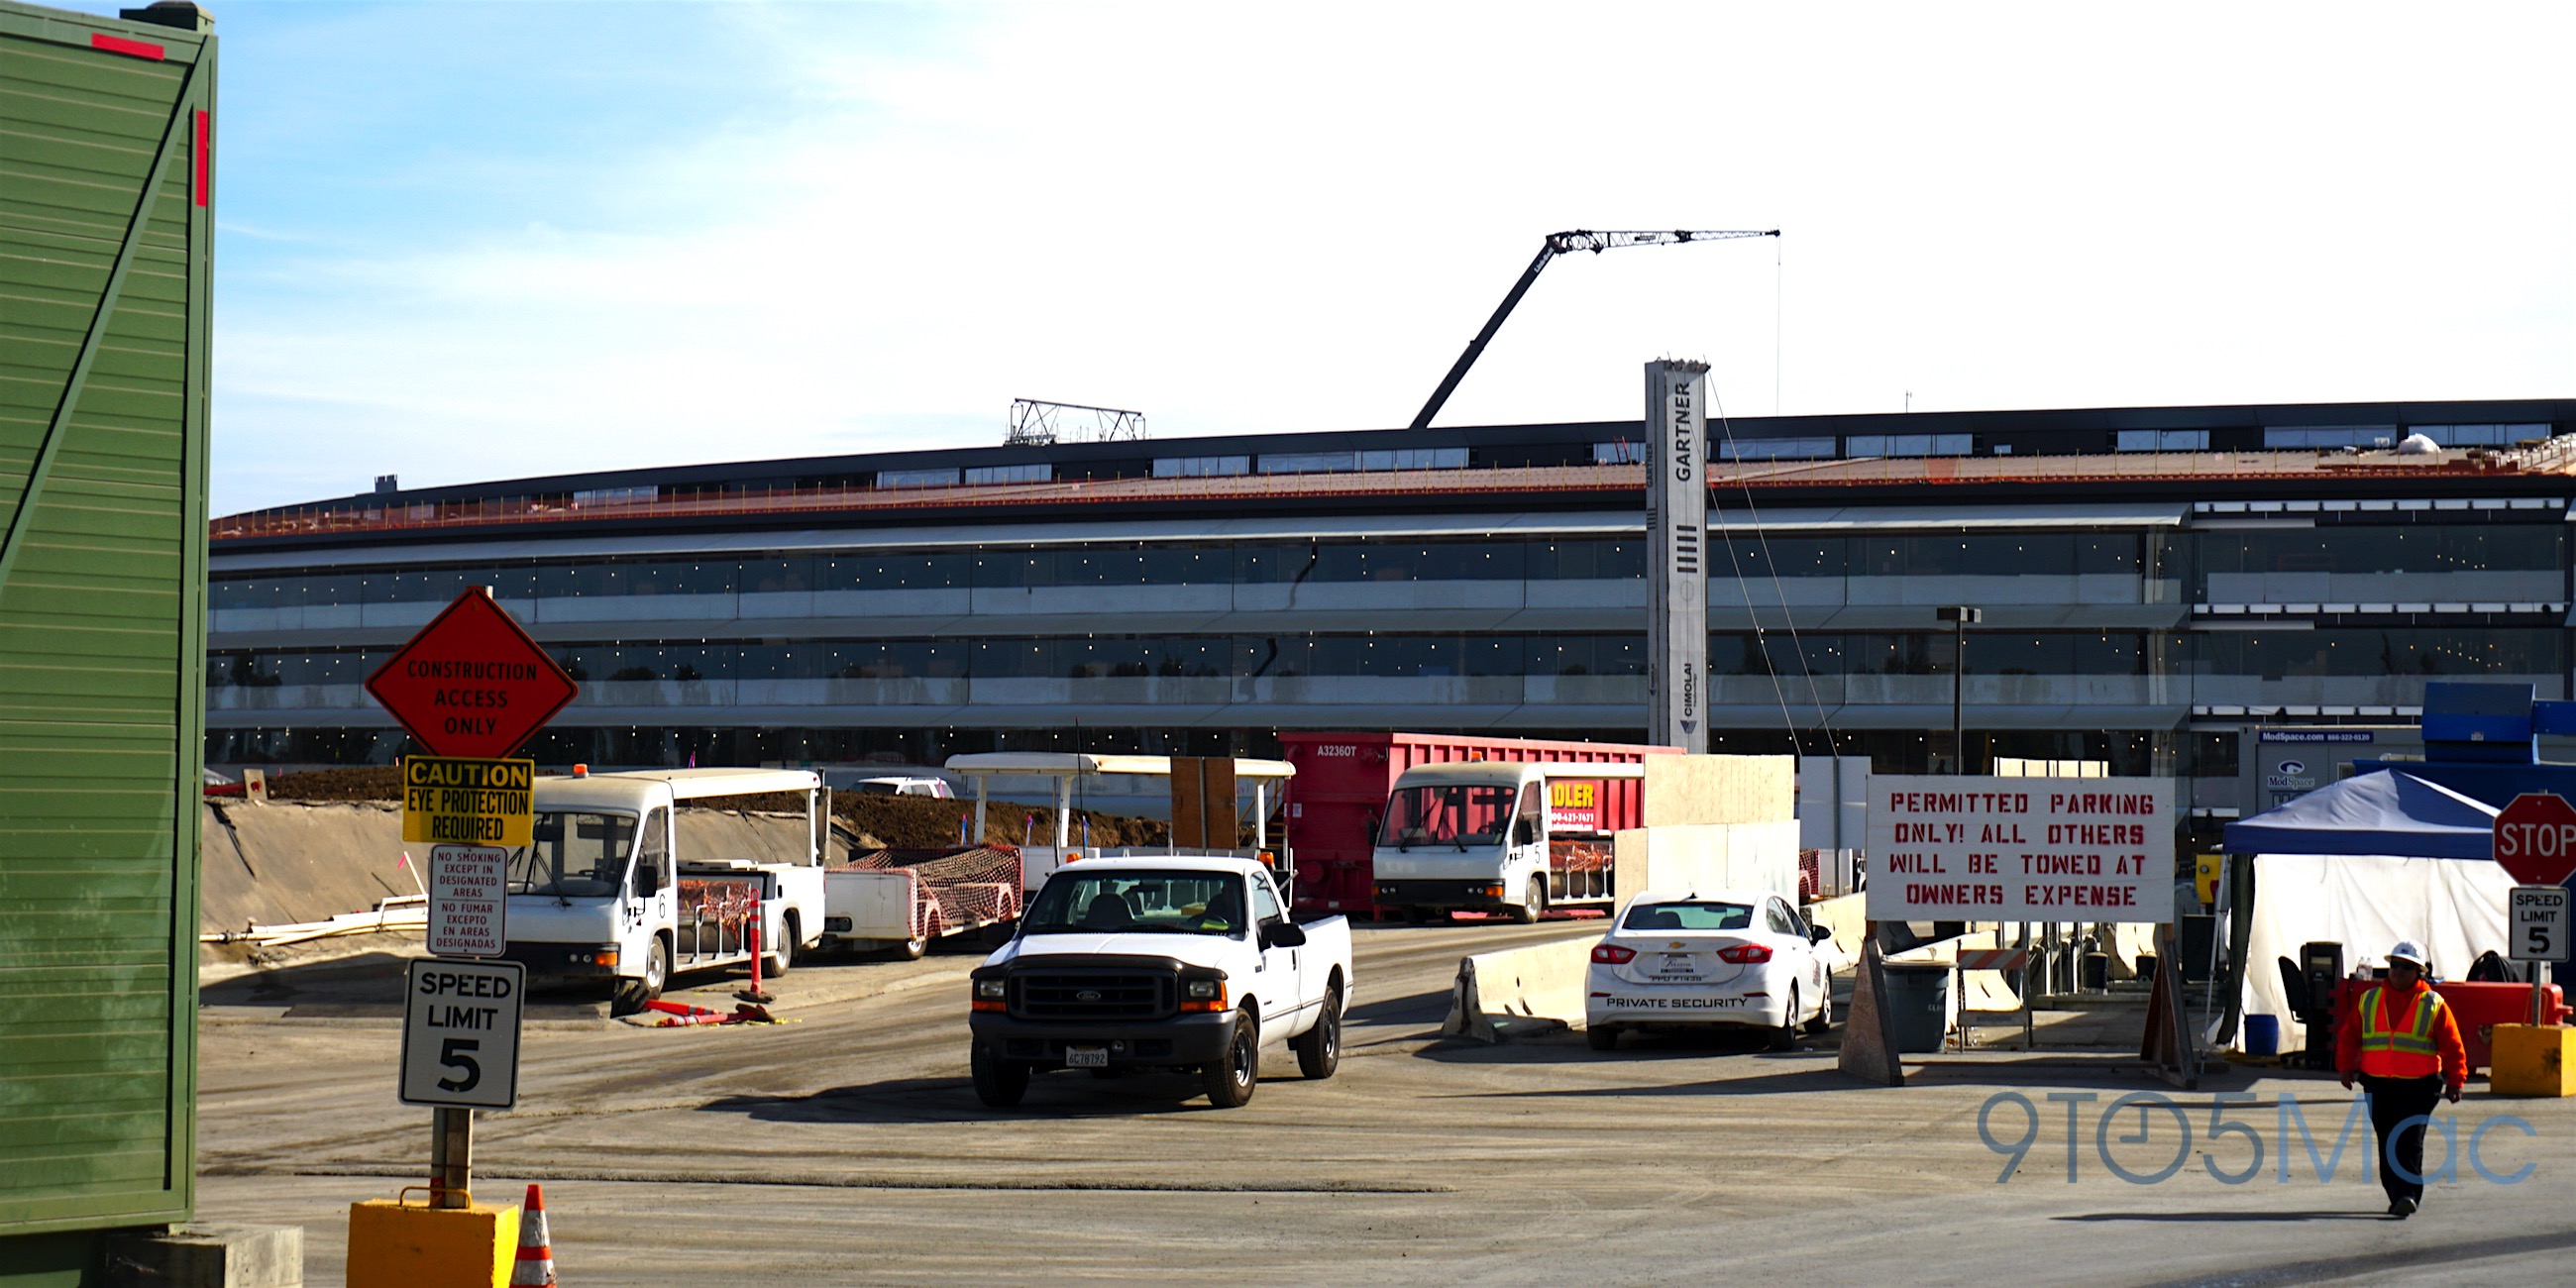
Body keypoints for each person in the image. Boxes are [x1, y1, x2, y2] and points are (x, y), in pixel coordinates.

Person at [2336, 940, 2468, 1219]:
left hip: (2420, 1085)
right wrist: (2345, 1067)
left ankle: (2408, 1194)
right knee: (2386, 1140)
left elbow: (2453, 1045)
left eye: (2406, 967)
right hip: (2378, 1083)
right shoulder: (2369, 999)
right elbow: (2350, 1035)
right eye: (2394, 965)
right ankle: (2397, 1194)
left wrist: (2456, 1079)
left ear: (2419, 972)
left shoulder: (2433, 1004)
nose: (2397, 971)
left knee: (2408, 1139)